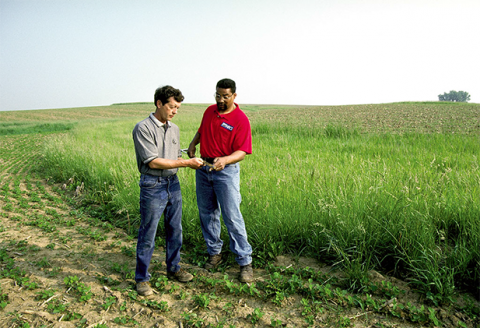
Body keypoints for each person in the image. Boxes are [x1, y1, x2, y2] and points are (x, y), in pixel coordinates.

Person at [132, 85, 204, 296]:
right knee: (149, 232)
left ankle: (174, 268)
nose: (174, 111)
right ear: (159, 104)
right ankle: (142, 278)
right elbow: (153, 162)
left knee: (175, 229)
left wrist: (189, 158)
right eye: (171, 107)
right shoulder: (143, 128)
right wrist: (186, 163)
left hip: (173, 183)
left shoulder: (174, 129)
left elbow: (173, 157)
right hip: (152, 185)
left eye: (178, 108)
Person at [187, 78, 254, 283]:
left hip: (226, 172)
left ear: (234, 95)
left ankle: (245, 262)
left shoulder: (240, 119)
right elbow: (201, 130)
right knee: (207, 213)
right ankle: (214, 253)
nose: (221, 100)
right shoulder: (209, 111)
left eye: (225, 96)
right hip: (204, 169)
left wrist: (225, 159)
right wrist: (192, 144)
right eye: (218, 95)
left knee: (232, 216)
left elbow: (242, 151)